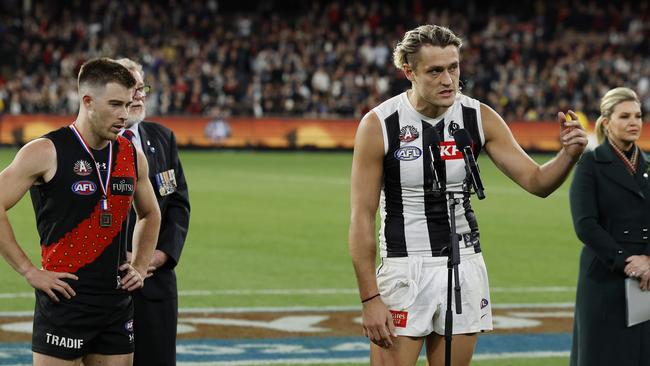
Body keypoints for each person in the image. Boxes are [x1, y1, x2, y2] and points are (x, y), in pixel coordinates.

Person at [348, 24, 588, 366]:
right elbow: (361, 217)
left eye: (453, 68)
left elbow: (537, 182)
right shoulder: (380, 125)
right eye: (435, 71)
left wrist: (568, 155)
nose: (448, 80)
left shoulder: (479, 116)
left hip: (464, 266)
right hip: (404, 270)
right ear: (409, 72)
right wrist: (369, 298)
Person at [0, 58, 161, 366]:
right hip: (64, 302)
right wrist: (28, 270)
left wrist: (140, 266)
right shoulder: (46, 151)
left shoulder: (131, 155)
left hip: (116, 303)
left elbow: (151, 214)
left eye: (128, 105)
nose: (124, 116)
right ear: (87, 101)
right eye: (115, 104)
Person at [115, 58, 190, 366]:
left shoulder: (162, 138)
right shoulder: (87, 144)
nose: (140, 94)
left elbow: (177, 205)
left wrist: (157, 256)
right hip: (111, 280)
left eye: (142, 87)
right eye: (132, 87)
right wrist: (124, 258)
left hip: (155, 282)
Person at [569, 87, 649, 366]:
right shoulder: (590, 163)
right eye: (625, 116)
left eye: (638, 116)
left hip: (646, 277)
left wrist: (648, 260)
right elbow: (585, 224)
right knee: (602, 356)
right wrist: (626, 261)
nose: (634, 122)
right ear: (606, 122)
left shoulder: (649, 165)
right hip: (604, 275)